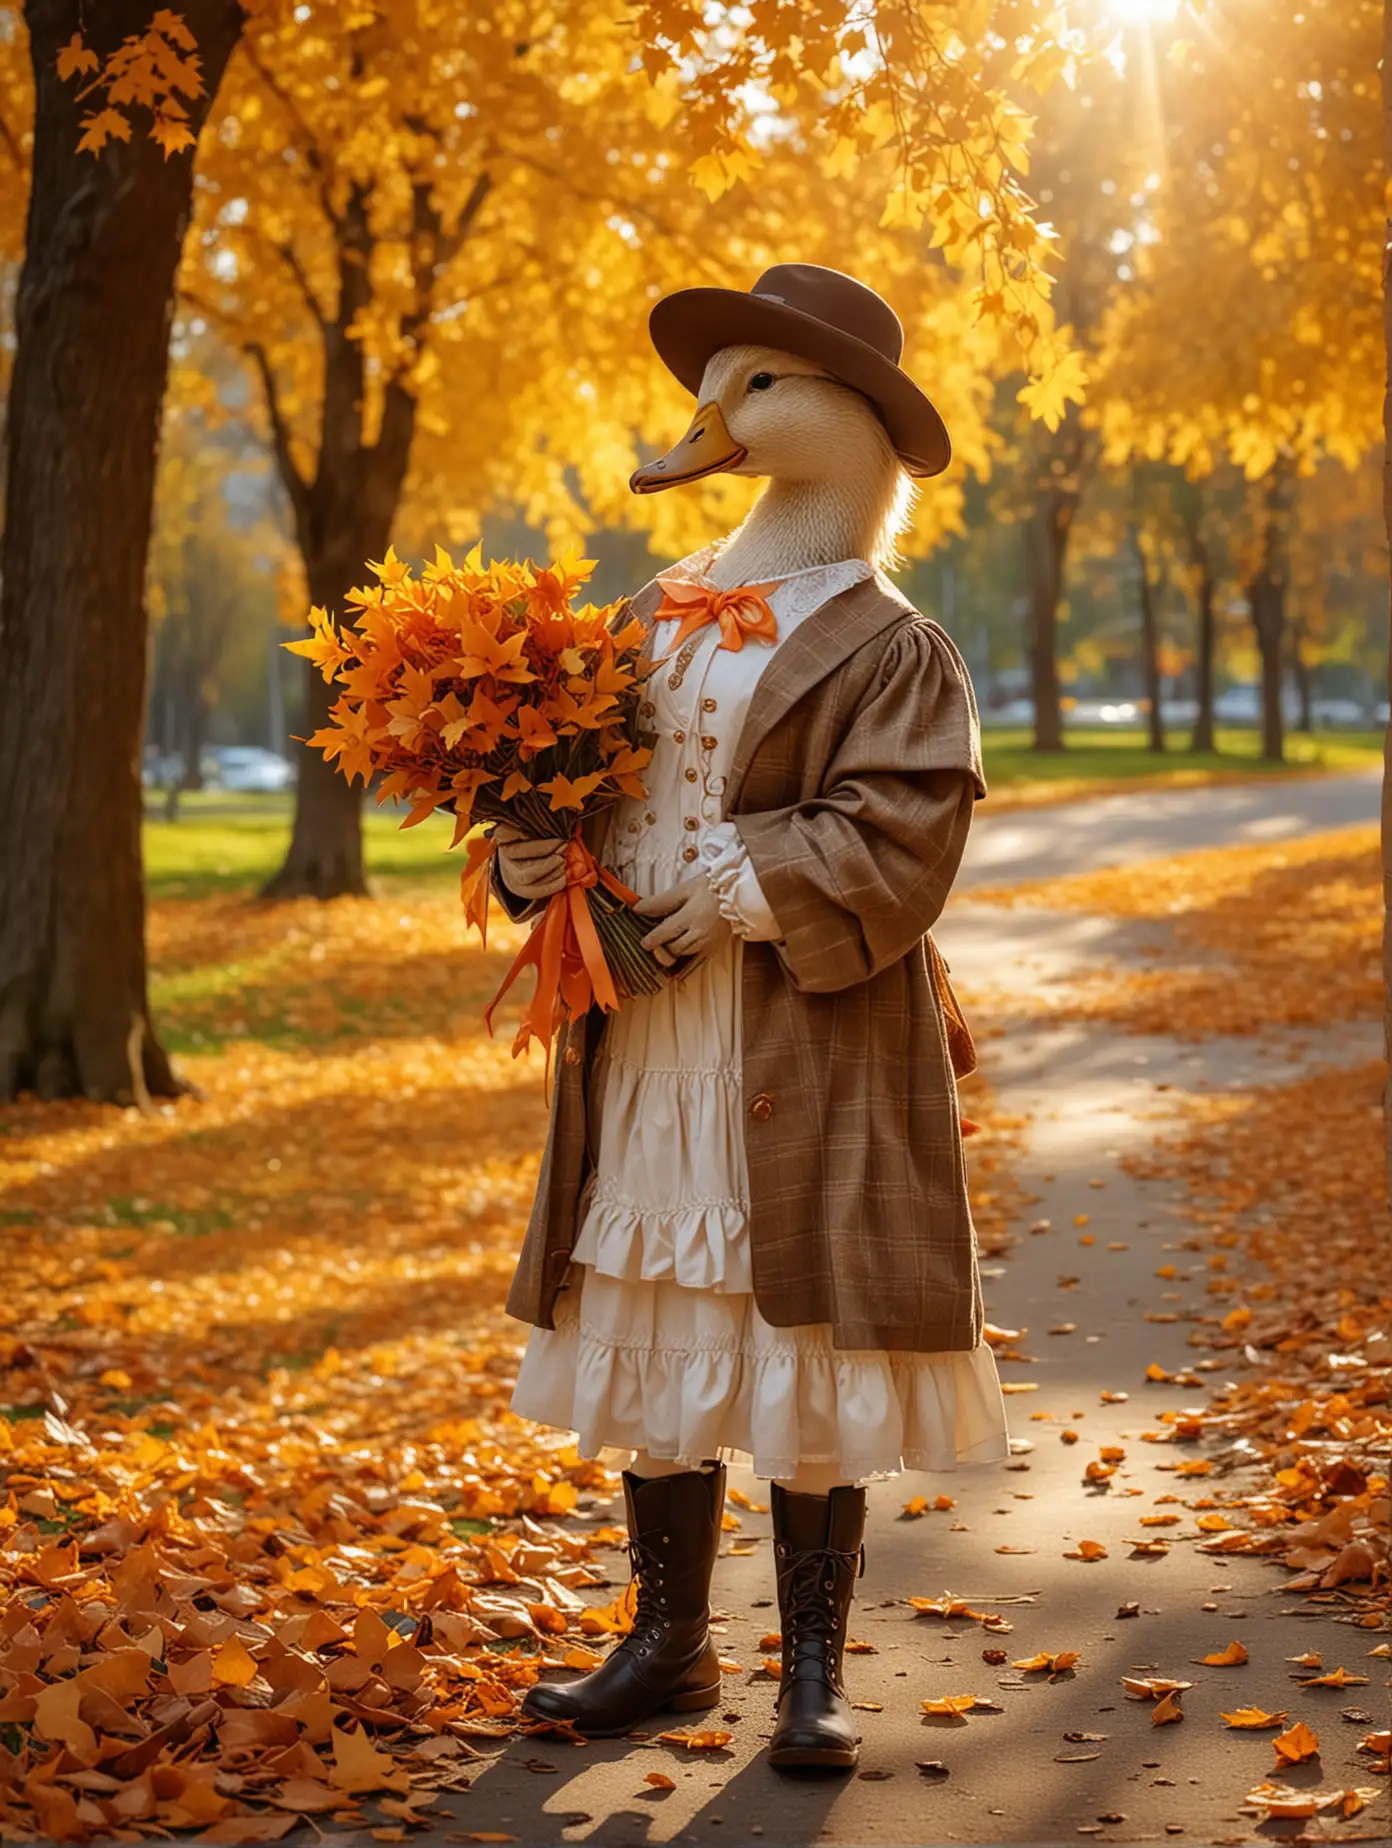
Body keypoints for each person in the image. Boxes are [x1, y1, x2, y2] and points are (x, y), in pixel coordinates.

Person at [492, 264, 1009, 1773]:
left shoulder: (892, 644)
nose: (715, 421)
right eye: (715, 392)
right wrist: (534, 853)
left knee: (806, 1326)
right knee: (662, 1312)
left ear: (845, 419)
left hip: (808, 1031)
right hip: (650, 1038)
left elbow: (902, 838)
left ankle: (814, 1672)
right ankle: (667, 1641)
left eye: (754, 389)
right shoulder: (651, 612)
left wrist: (738, 889)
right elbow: (576, 785)